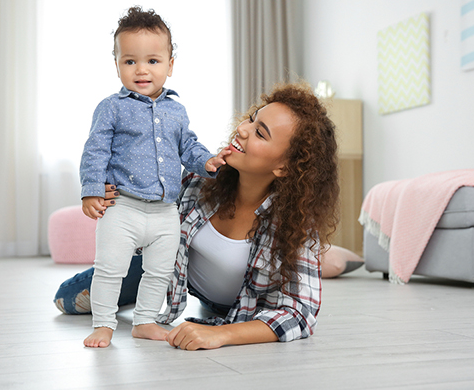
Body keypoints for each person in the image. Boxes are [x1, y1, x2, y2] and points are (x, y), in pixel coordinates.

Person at [56, 81, 364, 350]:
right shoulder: (200, 179)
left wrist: (222, 334)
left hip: (236, 304)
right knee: (67, 298)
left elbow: (299, 313)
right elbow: (149, 213)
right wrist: (120, 196)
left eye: (260, 133)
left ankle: (325, 258)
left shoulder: (294, 227)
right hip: (170, 270)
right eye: (251, 119)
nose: (241, 129)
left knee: (309, 264)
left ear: (283, 167)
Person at [79, 6, 228, 348]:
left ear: (170, 64)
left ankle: (144, 319)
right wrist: (91, 190)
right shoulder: (112, 107)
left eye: (153, 61)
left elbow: (188, 146)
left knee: (160, 270)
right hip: (123, 206)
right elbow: (95, 150)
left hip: (165, 211)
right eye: (130, 61)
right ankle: (103, 323)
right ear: (116, 63)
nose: (141, 70)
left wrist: (207, 161)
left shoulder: (177, 110)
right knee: (110, 269)